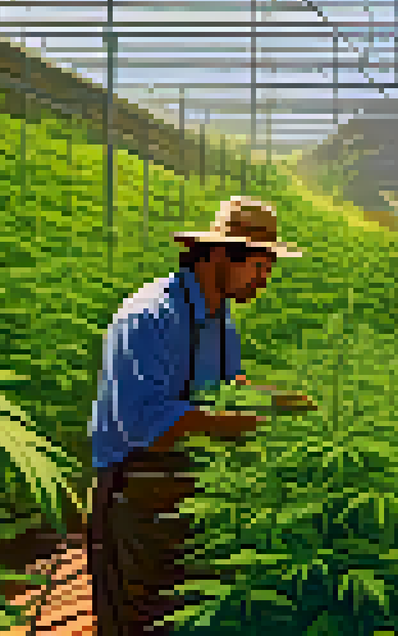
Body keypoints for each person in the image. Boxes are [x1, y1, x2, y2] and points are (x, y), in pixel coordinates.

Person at [87, 196, 303, 636]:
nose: (264, 280)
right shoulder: (150, 316)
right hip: (135, 492)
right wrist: (238, 424)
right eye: (259, 267)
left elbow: (226, 389)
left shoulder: (220, 319)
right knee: (139, 619)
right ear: (222, 255)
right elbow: (144, 423)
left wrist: (277, 402)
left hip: (190, 486)